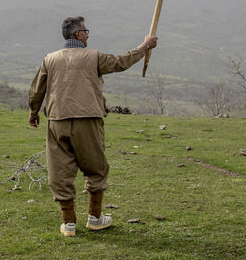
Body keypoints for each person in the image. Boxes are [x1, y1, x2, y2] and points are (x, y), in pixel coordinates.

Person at [28, 16, 157, 237]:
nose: (88, 35)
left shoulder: (50, 59)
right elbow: (121, 62)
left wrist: (33, 112)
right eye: (86, 31)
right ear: (78, 34)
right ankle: (95, 218)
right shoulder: (94, 57)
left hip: (57, 121)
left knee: (59, 171)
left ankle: (68, 223)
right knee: (96, 169)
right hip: (87, 120)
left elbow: (37, 89)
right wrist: (144, 47)